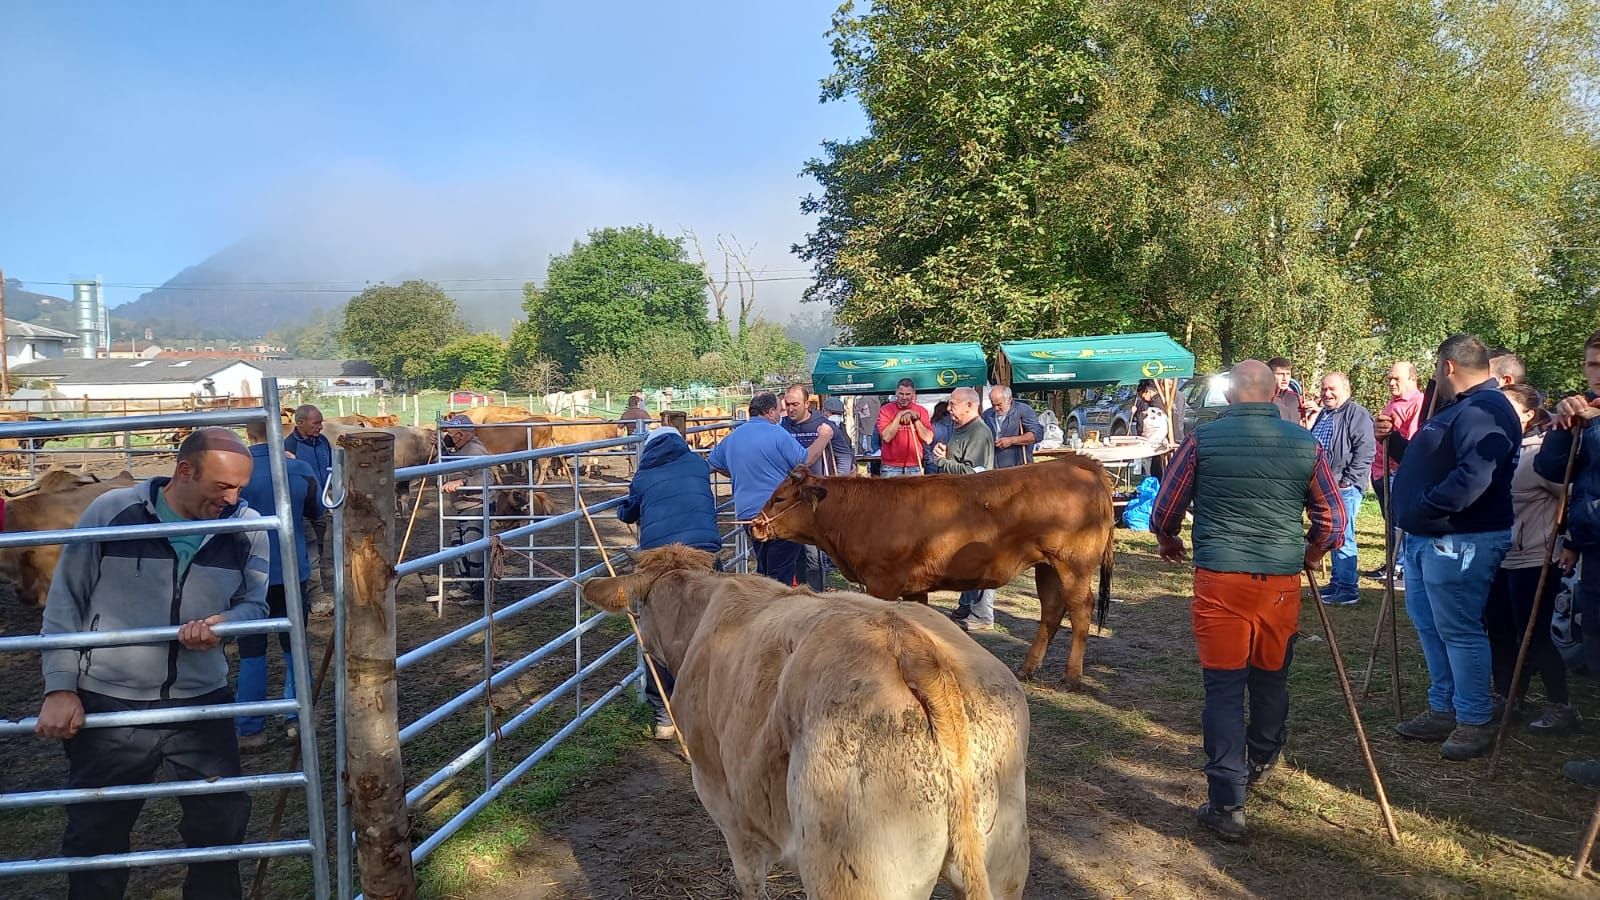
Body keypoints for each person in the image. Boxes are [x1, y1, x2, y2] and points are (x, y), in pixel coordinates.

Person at [36, 428, 268, 899]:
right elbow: (66, 601)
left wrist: (225, 622)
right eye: (223, 486)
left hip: (201, 703)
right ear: (184, 471)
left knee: (220, 824)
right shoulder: (113, 512)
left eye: (241, 487)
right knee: (96, 832)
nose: (233, 497)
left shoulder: (247, 526)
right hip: (111, 700)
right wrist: (60, 687)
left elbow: (256, 606)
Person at [1148, 360, 1346, 841]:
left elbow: (1165, 508)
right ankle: (1261, 756)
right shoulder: (1305, 443)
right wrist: (1314, 551)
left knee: (1223, 688)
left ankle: (1228, 804)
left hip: (1221, 580)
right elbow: (1334, 518)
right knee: (1270, 675)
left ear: (1231, 394)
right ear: (1272, 393)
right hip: (1279, 583)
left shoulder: (1202, 440)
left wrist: (1169, 538)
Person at [1378, 334, 1520, 760]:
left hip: (1459, 538)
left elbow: (1473, 477)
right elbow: (1439, 461)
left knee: (1459, 630)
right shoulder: (1459, 409)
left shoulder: (1484, 408)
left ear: (1448, 367)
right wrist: (1399, 446)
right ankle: (1444, 707)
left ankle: (1474, 718)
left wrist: (1423, 507)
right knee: (1432, 626)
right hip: (1432, 538)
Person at [1484, 384, 1579, 735]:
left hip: (1535, 558)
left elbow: (1569, 496)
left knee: (1533, 634)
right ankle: (1508, 695)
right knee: (1500, 630)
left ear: (1529, 415)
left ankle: (1560, 704)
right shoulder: (1499, 449)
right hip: (1500, 555)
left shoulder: (1542, 455)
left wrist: (1570, 540)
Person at [618, 425, 721, 740]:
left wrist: (624, 507)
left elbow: (628, 513)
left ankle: (664, 715)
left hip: (661, 559)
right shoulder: (698, 464)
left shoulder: (643, 475)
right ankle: (709, 701)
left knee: (659, 632)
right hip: (703, 554)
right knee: (711, 624)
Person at [1534, 328, 1600, 785]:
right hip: (1594, 547)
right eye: (1593, 364)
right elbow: (1552, 468)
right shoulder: (1586, 416)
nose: (1598, 375)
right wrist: (1565, 425)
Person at [236, 419, 322, 752]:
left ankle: (250, 728)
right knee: (294, 649)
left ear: (248, 433)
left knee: (251, 652)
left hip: (247, 577)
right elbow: (317, 511)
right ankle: (296, 720)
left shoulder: (234, 473)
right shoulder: (299, 469)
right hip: (291, 570)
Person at [708, 392, 807, 585]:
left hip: (748, 513)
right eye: (779, 411)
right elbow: (803, 460)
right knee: (780, 573)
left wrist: (737, 473)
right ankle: (778, 609)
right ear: (770, 412)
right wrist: (824, 437)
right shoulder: (777, 433)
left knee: (764, 565)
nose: (781, 415)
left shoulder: (733, 437)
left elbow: (713, 463)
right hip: (779, 513)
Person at [1305, 373, 1375, 606]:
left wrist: (1349, 481)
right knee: (1332, 535)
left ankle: (1347, 589)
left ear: (1346, 389)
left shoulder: (1357, 414)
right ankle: (1337, 583)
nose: (1327, 394)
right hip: (1325, 486)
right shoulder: (1325, 414)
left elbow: (1365, 450)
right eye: (1324, 389)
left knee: (1343, 536)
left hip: (1343, 486)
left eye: (1331, 389)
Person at [933, 388, 999, 631]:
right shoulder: (961, 429)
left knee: (979, 558)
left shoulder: (979, 432)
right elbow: (959, 462)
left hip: (976, 508)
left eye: (953, 405)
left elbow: (974, 474)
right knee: (965, 558)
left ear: (970, 406)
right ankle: (966, 604)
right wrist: (945, 454)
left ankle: (983, 615)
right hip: (960, 507)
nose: (949, 409)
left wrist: (942, 461)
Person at [1366, 362, 1425, 583]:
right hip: (1381, 471)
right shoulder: (1393, 403)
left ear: (1412, 379)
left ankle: (1400, 567)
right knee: (1389, 520)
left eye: (1396, 379)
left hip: (1397, 471)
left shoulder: (1416, 403)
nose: (1391, 383)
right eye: (1389, 378)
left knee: (1400, 521)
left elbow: (1409, 442)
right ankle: (1392, 561)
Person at [782, 384, 839, 590]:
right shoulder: (782, 428)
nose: (790, 409)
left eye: (795, 404)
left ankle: (816, 594)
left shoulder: (823, 425)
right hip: (790, 499)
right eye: (787, 404)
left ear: (808, 404)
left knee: (813, 553)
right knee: (793, 550)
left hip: (814, 498)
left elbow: (844, 454)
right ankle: (798, 595)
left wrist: (837, 483)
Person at [282, 404, 333, 615]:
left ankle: (305, 590)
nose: (320, 427)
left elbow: (330, 469)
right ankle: (316, 599)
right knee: (310, 551)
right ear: (300, 422)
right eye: (316, 423)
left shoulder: (322, 442)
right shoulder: (289, 446)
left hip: (320, 506)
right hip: (300, 508)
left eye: (321, 422)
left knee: (317, 550)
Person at [439, 414, 491, 606]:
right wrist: (440, 449)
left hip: (476, 506)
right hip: (464, 507)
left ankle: (479, 594)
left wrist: (462, 482)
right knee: (458, 545)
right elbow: (450, 463)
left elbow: (487, 479)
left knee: (474, 549)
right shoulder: (462, 449)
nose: (448, 436)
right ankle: (465, 586)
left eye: (450, 433)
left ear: (461, 434)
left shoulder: (475, 451)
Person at [876, 378, 933, 477]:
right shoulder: (885, 410)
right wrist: (899, 415)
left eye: (908, 394)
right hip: (890, 467)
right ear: (896, 393)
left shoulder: (921, 411)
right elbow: (886, 437)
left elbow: (928, 438)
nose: (904, 397)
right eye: (901, 394)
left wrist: (916, 419)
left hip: (914, 466)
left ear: (913, 394)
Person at [983, 385, 1043, 469]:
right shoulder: (987, 414)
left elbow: (1037, 434)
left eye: (999, 404)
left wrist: (1011, 440)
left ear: (1009, 399)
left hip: (1018, 466)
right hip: (994, 467)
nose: (996, 408)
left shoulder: (1023, 410)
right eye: (993, 405)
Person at [820, 397, 856, 476]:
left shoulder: (842, 427)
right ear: (824, 412)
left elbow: (847, 445)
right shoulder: (820, 427)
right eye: (833, 413)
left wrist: (853, 462)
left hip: (841, 470)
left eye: (839, 414)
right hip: (828, 470)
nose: (836, 417)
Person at [1266, 357, 1304, 424]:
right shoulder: (1264, 398)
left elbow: (1302, 425)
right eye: (1280, 374)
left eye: (1288, 374)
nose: (1285, 378)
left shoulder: (1294, 397)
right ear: (1269, 375)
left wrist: (1312, 415)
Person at [924, 400, 953, 474]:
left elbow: (926, 445)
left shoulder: (932, 426)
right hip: (950, 463)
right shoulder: (957, 426)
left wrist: (929, 461)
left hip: (933, 464)